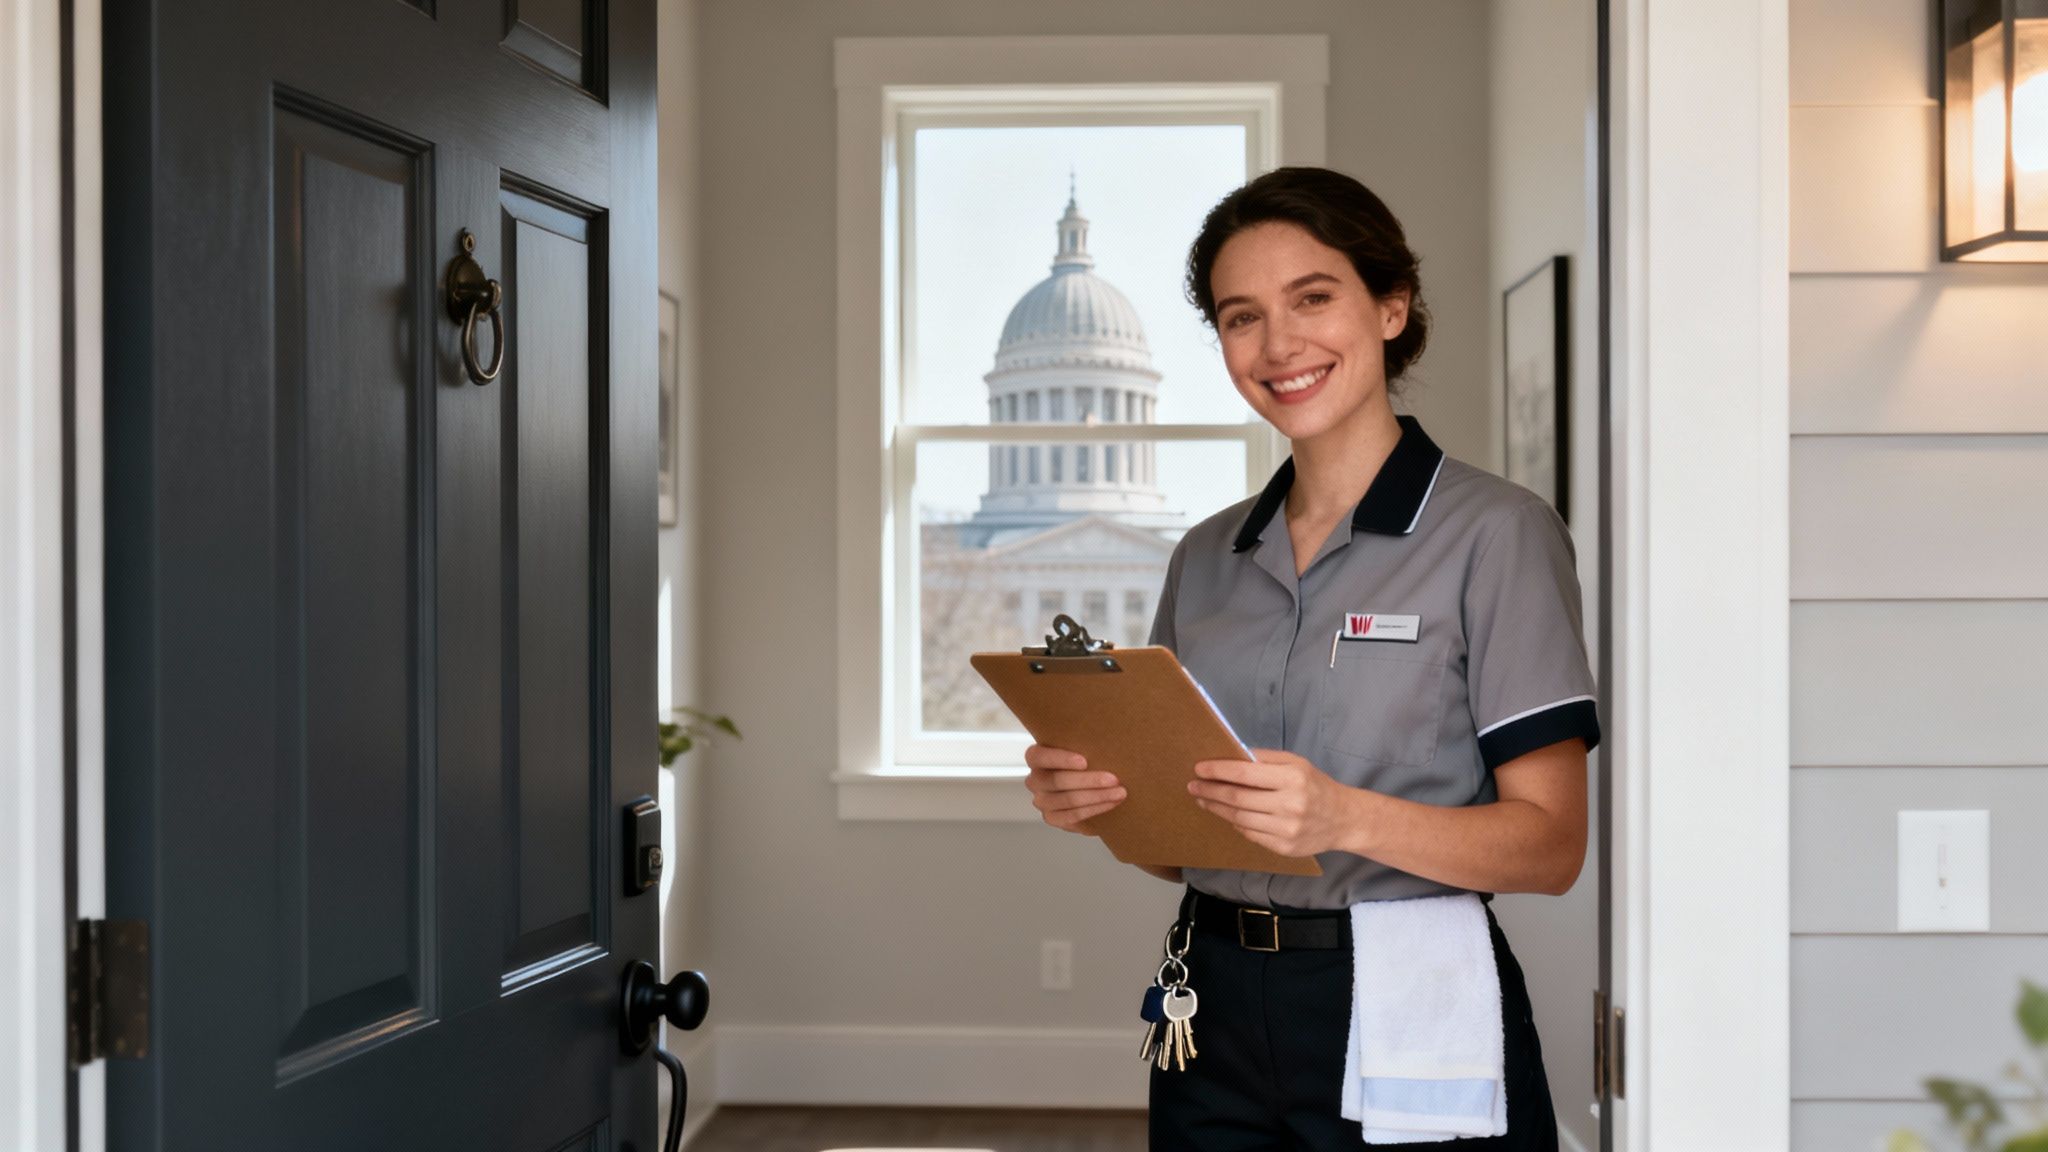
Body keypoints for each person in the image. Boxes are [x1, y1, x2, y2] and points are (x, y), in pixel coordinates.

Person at [1021, 166, 1600, 1151]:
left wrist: (1341, 816)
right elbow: (1187, 839)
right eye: (1240, 317)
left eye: (1312, 298)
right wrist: (1106, 803)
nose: (1278, 345)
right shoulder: (1205, 556)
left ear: (1389, 305)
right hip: (1209, 1003)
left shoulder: (1494, 534)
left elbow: (1549, 849)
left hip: (1407, 991)